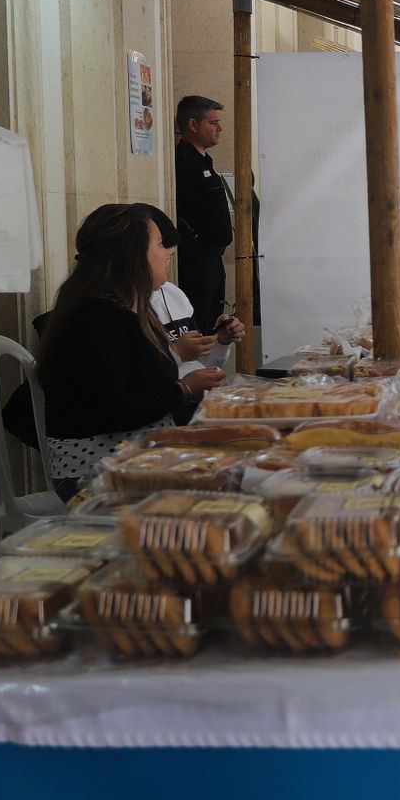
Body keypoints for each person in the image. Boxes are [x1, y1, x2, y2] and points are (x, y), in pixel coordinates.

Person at [38, 204, 226, 499]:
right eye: (160, 245)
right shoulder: (96, 318)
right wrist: (184, 390)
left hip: (140, 457)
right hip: (99, 473)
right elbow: (114, 409)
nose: (168, 254)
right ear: (131, 255)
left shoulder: (128, 308)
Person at [142, 206, 246, 423]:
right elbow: (134, 383)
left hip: (194, 405)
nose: (168, 262)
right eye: (162, 249)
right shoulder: (124, 309)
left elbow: (202, 364)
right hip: (163, 413)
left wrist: (221, 342)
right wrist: (177, 352)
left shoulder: (174, 294)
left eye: (170, 255)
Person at [174, 95, 233, 333]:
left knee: (214, 321)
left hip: (213, 258)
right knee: (200, 323)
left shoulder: (205, 161)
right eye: (213, 122)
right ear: (193, 125)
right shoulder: (185, 162)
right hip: (197, 261)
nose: (220, 128)